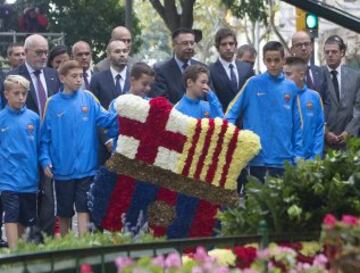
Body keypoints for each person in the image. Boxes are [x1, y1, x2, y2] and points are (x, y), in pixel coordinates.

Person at [40, 60, 117, 236]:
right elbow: (44, 138)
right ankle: (67, 247)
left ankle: (83, 246)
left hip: (87, 169)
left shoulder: (88, 98)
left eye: (81, 76)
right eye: (74, 76)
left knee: (84, 209)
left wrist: (125, 114)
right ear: (62, 78)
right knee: (64, 212)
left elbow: (106, 120)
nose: (78, 80)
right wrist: (45, 161)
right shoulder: (52, 103)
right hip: (62, 170)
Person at [4, 34, 60, 236]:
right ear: (26, 52)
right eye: (39, 52)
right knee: (20, 204)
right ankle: (22, 246)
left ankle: (43, 243)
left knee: (47, 200)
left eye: (46, 52)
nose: (44, 56)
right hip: (20, 153)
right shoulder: (12, 78)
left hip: (48, 149)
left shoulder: (54, 76)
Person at [225, 41, 302, 183]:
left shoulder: (291, 87)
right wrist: (233, 139)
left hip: (284, 159)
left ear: (283, 61)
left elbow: (298, 124)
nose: (272, 64)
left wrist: (298, 155)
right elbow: (231, 113)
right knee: (254, 203)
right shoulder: (253, 83)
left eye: (276, 60)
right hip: (257, 159)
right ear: (263, 61)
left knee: (281, 205)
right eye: (269, 60)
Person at [0, 75, 40, 248]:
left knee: (25, 219)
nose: (21, 97)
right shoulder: (1, 118)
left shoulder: (34, 118)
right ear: (6, 94)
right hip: (7, 179)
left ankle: (22, 250)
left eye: (24, 93)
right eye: (16, 93)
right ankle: (13, 252)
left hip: (29, 179)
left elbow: (40, 146)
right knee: (11, 215)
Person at [90, 40, 131, 165]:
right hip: (104, 145)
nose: (122, 54)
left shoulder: (134, 79)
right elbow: (94, 112)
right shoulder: (97, 79)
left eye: (125, 51)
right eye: (117, 51)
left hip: (130, 144)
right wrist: (107, 140)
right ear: (108, 55)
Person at [151, 28, 208, 104]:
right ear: (174, 45)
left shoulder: (203, 68)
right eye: (185, 43)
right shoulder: (161, 70)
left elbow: (210, 97)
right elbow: (162, 101)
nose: (190, 47)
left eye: (192, 43)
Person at [322, 35, 360, 149]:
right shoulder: (318, 75)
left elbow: (358, 107)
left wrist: (348, 132)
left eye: (334, 51)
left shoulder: (355, 76)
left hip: (349, 141)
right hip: (325, 143)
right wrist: (325, 132)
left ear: (342, 52)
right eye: (327, 52)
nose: (330, 55)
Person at [284, 56, 324, 160]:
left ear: (302, 75)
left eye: (288, 74)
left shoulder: (314, 97)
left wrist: (315, 158)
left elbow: (319, 129)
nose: (284, 78)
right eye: (283, 74)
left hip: (310, 161)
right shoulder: (280, 97)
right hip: (287, 162)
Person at [209, 28, 254, 111]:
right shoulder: (210, 70)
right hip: (222, 119)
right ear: (217, 47)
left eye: (231, 43)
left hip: (245, 120)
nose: (228, 47)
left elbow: (252, 96)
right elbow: (211, 99)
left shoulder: (247, 68)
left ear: (235, 45)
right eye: (224, 44)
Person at [290, 31, 328, 110]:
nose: (303, 48)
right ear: (292, 49)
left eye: (306, 44)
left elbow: (328, 101)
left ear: (312, 47)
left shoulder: (321, 72)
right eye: (299, 45)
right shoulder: (286, 74)